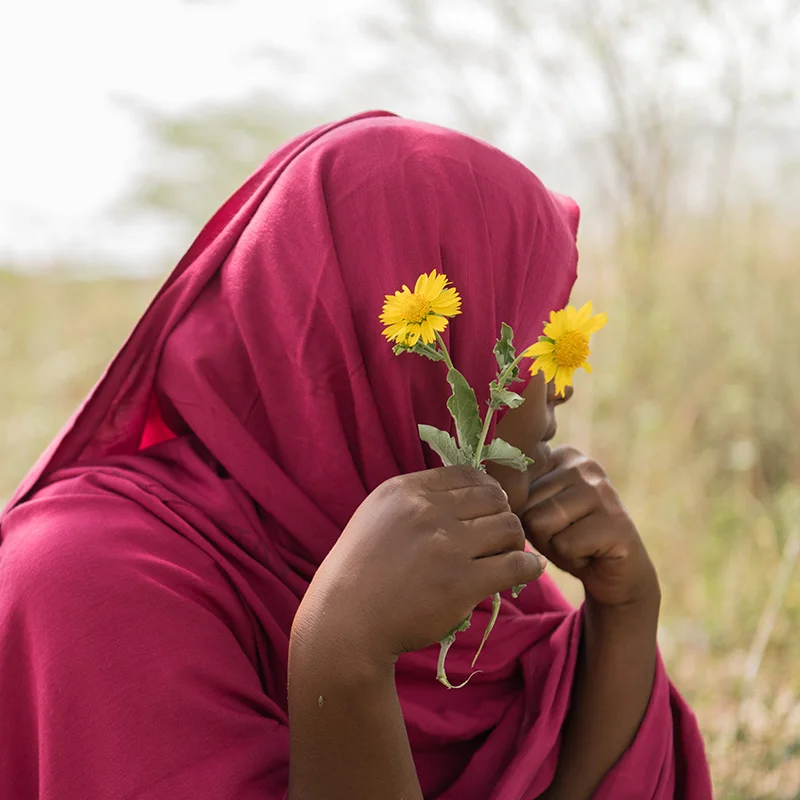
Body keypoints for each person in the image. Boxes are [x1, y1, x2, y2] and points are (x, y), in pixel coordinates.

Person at [0, 111, 712, 799]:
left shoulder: (465, 568)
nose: (561, 384)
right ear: (408, 358)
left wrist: (623, 614)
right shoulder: (86, 581)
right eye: (530, 328)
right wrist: (340, 659)